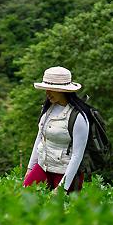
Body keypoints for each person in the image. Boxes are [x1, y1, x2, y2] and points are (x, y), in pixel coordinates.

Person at [23, 66, 89, 194]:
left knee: (61, 212)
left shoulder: (78, 117)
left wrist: (62, 188)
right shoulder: (48, 109)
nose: (47, 93)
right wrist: (30, 168)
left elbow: (77, 156)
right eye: (46, 89)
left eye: (52, 89)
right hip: (43, 167)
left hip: (66, 173)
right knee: (24, 197)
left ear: (63, 90)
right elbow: (40, 138)